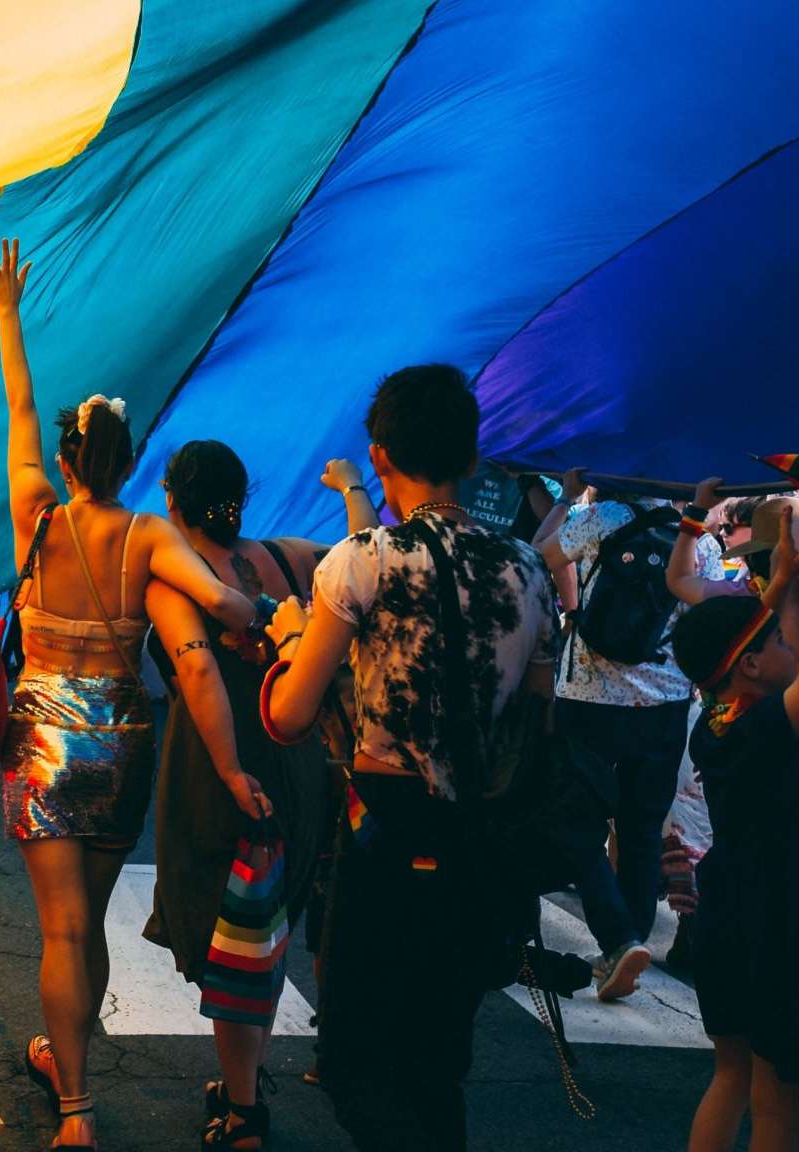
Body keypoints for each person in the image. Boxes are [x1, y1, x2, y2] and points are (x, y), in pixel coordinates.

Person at [0, 238, 255, 1152]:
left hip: (44, 737)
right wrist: (273, 612)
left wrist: (9, 313)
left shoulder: (38, 514)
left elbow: (18, 403)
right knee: (87, 927)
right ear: (130, 462)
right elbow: (220, 600)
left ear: (67, 460)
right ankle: (68, 1063)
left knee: (58, 932)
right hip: (121, 739)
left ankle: (76, 1110)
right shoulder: (146, 536)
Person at [264, 364, 561, 1151]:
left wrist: (292, 639)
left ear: (379, 455)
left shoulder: (361, 561)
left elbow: (290, 715)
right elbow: (537, 722)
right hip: (481, 839)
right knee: (438, 1059)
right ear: (470, 457)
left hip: (385, 831)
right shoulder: (529, 572)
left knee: (358, 1061)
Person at [143, 441, 354, 1149]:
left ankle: (243, 1113)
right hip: (297, 761)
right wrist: (354, 488)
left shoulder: (179, 579)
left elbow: (199, 677)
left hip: (220, 764)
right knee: (267, 929)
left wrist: (231, 771)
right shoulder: (292, 556)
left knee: (230, 932)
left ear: (175, 500)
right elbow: (362, 554)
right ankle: (245, 1078)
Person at [674, 480, 799, 1152]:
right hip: (781, 918)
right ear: (749, 665)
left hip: (726, 913)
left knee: (730, 1077)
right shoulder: (771, 725)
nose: (790, 646)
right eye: (776, 641)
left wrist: (785, 580)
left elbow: (755, 639)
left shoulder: (718, 722)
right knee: (777, 1102)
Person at [532, 465, 728, 999]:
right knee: (641, 831)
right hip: (664, 702)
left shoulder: (600, 517)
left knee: (578, 825)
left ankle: (619, 940)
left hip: (588, 699)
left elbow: (539, 557)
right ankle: (633, 939)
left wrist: (566, 499)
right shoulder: (698, 540)